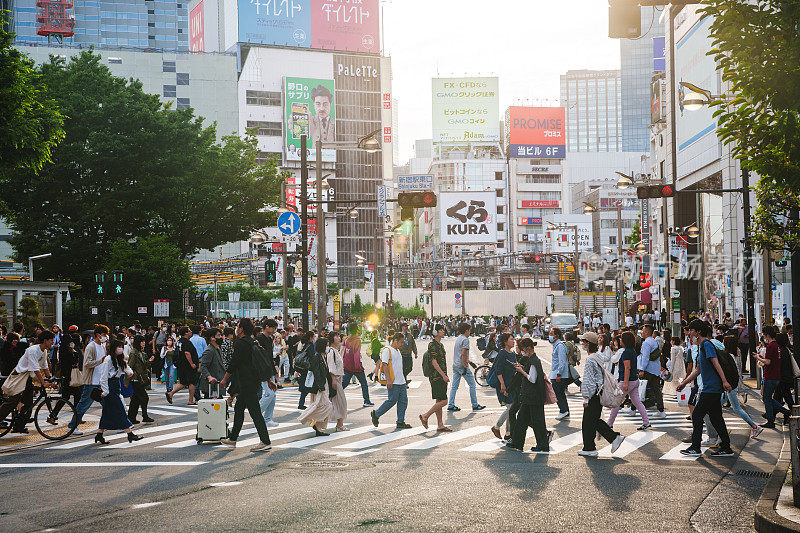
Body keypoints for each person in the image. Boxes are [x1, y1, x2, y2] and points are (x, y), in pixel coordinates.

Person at [675, 319, 734, 457]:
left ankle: (696, 447)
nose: (689, 333)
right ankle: (726, 447)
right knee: (716, 418)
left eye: (691, 331)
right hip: (710, 388)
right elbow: (699, 369)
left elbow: (716, 363)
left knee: (697, 414)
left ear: (698, 332)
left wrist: (725, 381)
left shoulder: (706, 344)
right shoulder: (702, 346)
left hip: (711, 388)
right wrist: (684, 383)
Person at [219, 318, 272, 452]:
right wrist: (267, 379)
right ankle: (233, 439)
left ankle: (265, 441)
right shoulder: (253, 341)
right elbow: (261, 362)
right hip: (253, 381)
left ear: (241, 329)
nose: (236, 329)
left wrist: (225, 379)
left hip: (247, 381)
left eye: (238, 326)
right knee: (239, 408)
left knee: (255, 412)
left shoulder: (241, 343)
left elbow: (234, 363)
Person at [578, 332, 625, 457]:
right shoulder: (598, 356)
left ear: (588, 344)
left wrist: (586, 398)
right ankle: (612, 438)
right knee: (594, 421)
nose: (582, 344)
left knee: (588, 422)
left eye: (583, 341)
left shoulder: (590, 360)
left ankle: (591, 447)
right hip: (599, 393)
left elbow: (589, 381)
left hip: (593, 395)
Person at [0, 330, 54, 433]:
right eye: (51, 340)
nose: (52, 342)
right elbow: (35, 368)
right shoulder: (32, 350)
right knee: (11, 403)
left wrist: (50, 378)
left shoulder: (44, 351)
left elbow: (44, 366)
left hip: (28, 379)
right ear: (45, 340)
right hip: (19, 377)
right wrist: (43, 382)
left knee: (28, 404)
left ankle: (19, 426)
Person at [507, 337, 551, 452]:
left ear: (528, 348)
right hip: (530, 396)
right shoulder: (531, 360)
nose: (522, 351)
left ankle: (542, 445)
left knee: (538, 422)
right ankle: (517, 443)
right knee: (522, 419)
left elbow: (532, 379)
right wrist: (522, 368)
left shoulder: (534, 361)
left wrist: (521, 371)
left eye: (523, 349)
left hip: (533, 396)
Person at [95, 340, 141, 444]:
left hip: (116, 385)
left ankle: (99, 434)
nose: (120, 349)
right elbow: (103, 377)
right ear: (113, 348)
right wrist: (105, 391)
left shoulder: (119, 359)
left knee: (107, 412)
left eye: (121, 347)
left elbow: (127, 368)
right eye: (118, 347)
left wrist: (129, 372)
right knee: (120, 410)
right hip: (110, 386)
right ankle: (130, 434)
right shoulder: (108, 359)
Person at [68, 324, 110, 435]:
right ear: (98, 335)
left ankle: (118, 424)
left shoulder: (102, 346)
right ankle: (72, 426)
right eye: (104, 334)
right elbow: (87, 364)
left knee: (108, 404)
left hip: (100, 381)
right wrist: (101, 360)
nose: (106, 336)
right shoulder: (91, 347)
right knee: (84, 405)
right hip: (91, 382)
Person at [606, 331, 649, 430]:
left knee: (616, 402)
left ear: (625, 340)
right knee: (637, 402)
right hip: (634, 380)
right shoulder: (632, 350)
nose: (620, 340)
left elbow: (627, 368)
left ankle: (609, 423)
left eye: (621, 338)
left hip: (627, 381)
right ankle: (646, 422)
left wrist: (625, 382)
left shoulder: (626, 352)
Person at [371, 333, 411, 429]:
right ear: (395, 340)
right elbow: (384, 365)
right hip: (393, 381)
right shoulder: (387, 350)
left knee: (403, 401)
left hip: (401, 381)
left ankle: (400, 421)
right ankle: (376, 414)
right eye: (401, 342)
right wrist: (388, 380)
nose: (402, 344)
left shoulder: (397, 351)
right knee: (392, 400)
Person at [756, 326, 790, 429]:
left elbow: (768, 361)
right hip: (776, 376)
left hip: (770, 376)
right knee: (768, 398)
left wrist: (758, 358)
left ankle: (772, 420)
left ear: (767, 335)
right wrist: (762, 358)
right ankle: (784, 412)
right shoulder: (778, 346)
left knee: (766, 398)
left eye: (764, 334)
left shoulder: (771, 346)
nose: (763, 337)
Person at [299, 338, 334, 436]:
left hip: (324, 384)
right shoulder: (316, 356)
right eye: (327, 345)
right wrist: (320, 386)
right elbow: (316, 372)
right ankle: (306, 417)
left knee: (321, 405)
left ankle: (318, 428)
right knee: (326, 405)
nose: (328, 347)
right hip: (320, 386)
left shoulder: (323, 356)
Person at [419, 324, 451, 432]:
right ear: (435, 332)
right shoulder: (432, 345)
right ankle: (425, 416)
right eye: (440, 330)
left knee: (439, 400)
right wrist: (443, 375)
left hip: (441, 376)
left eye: (442, 329)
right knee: (444, 401)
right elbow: (434, 361)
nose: (443, 331)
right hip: (436, 377)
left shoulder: (440, 345)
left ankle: (440, 424)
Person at [447, 323, 485, 412]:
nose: (470, 332)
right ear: (466, 330)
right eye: (469, 330)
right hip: (461, 366)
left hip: (455, 365)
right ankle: (475, 405)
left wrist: (468, 361)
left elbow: (460, 353)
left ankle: (451, 404)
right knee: (472, 384)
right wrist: (465, 366)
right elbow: (463, 353)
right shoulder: (465, 340)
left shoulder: (459, 338)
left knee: (454, 387)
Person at [490, 333, 518, 440]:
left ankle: (508, 433)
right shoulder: (502, 353)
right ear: (505, 342)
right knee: (511, 407)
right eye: (511, 339)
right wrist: (502, 383)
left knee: (512, 407)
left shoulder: (513, 353)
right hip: (504, 385)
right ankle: (497, 426)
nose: (513, 341)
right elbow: (498, 369)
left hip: (512, 385)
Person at [638, 324, 666, 418]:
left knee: (638, 388)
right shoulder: (654, 341)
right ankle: (661, 410)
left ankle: (633, 409)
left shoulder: (646, 343)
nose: (641, 332)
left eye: (642, 330)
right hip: (655, 369)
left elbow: (645, 358)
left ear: (646, 332)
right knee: (656, 389)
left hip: (648, 369)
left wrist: (641, 369)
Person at [166, 327, 199, 406]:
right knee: (192, 382)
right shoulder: (186, 342)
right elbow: (187, 353)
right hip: (188, 366)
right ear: (186, 333)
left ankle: (171, 393)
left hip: (181, 365)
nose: (191, 332)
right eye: (189, 331)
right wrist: (192, 363)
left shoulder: (179, 342)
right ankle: (191, 400)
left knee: (183, 382)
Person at [256, 320, 279, 429]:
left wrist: (274, 372)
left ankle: (267, 419)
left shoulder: (269, 339)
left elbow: (270, 357)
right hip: (262, 370)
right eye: (273, 328)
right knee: (269, 394)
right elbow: (261, 357)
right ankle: (256, 414)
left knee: (273, 395)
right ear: (266, 327)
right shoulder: (260, 339)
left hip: (269, 369)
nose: (274, 330)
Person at [342, 324, 372, 407]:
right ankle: (367, 401)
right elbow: (356, 354)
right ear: (357, 330)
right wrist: (358, 366)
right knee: (364, 383)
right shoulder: (357, 340)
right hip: (355, 366)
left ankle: (333, 397)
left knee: (343, 384)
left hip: (347, 365)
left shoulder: (348, 338)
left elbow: (344, 351)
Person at [126, 335, 153, 424]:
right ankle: (144, 416)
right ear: (138, 342)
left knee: (135, 399)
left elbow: (143, 365)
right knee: (144, 397)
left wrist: (149, 361)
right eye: (142, 341)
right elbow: (129, 366)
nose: (144, 343)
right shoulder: (134, 353)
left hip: (140, 379)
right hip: (135, 379)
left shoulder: (141, 352)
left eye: (144, 341)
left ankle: (131, 417)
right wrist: (127, 380)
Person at [326, 331, 348, 432]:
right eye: (336, 336)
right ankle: (339, 424)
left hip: (338, 379)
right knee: (340, 402)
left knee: (337, 402)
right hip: (334, 380)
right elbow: (331, 366)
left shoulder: (335, 350)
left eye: (339, 336)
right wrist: (334, 380)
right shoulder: (331, 351)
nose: (339, 338)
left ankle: (339, 424)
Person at [548, 327, 570, 420]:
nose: (550, 336)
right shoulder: (557, 346)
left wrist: (559, 374)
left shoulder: (560, 346)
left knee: (558, 393)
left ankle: (563, 410)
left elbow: (562, 362)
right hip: (557, 374)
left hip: (559, 375)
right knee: (560, 393)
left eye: (551, 334)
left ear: (556, 336)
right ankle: (565, 411)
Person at [199, 328, 225, 399]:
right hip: (211, 386)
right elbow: (203, 366)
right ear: (212, 338)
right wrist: (209, 377)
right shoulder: (209, 350)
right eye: (219, 335)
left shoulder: (217, 349)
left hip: (216, 385)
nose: (221, 337)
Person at [296, 330, 317, 410]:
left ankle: (301, 403)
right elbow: (311, 356)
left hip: (303, 367)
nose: (314, 338)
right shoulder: (310, 345)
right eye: (313, 337)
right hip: (308, 368)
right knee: (308, 386)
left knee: (305, 386)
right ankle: (307, 404)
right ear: (310, 337)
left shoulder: (304, 344)